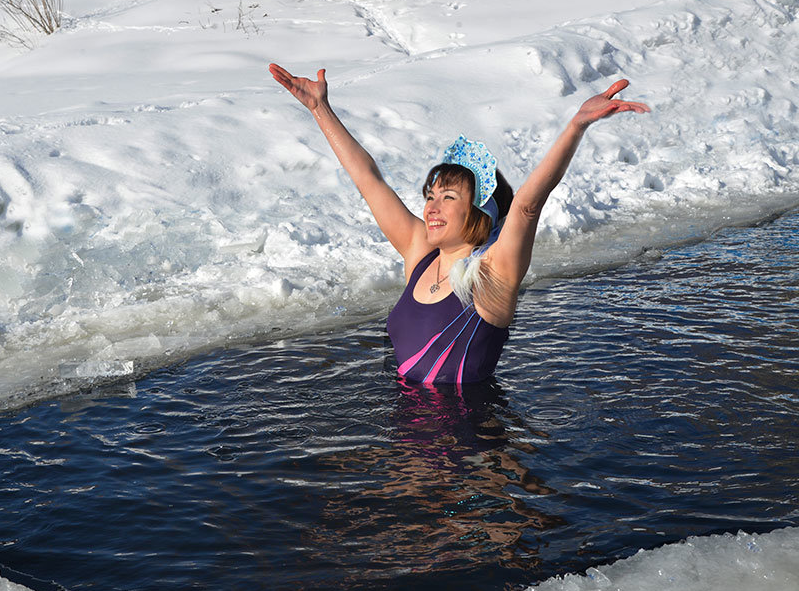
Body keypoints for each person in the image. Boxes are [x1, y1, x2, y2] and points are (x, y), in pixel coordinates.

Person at [269, 63, 649, 386]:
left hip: (467, 454)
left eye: (449, 198)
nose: (432, 207)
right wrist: (320, 109)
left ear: (481, 213)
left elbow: (527, 207)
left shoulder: (492, 275)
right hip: (406, 433)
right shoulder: (419, 252)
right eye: (431, 195)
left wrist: (576, 126)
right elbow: (369, 181)